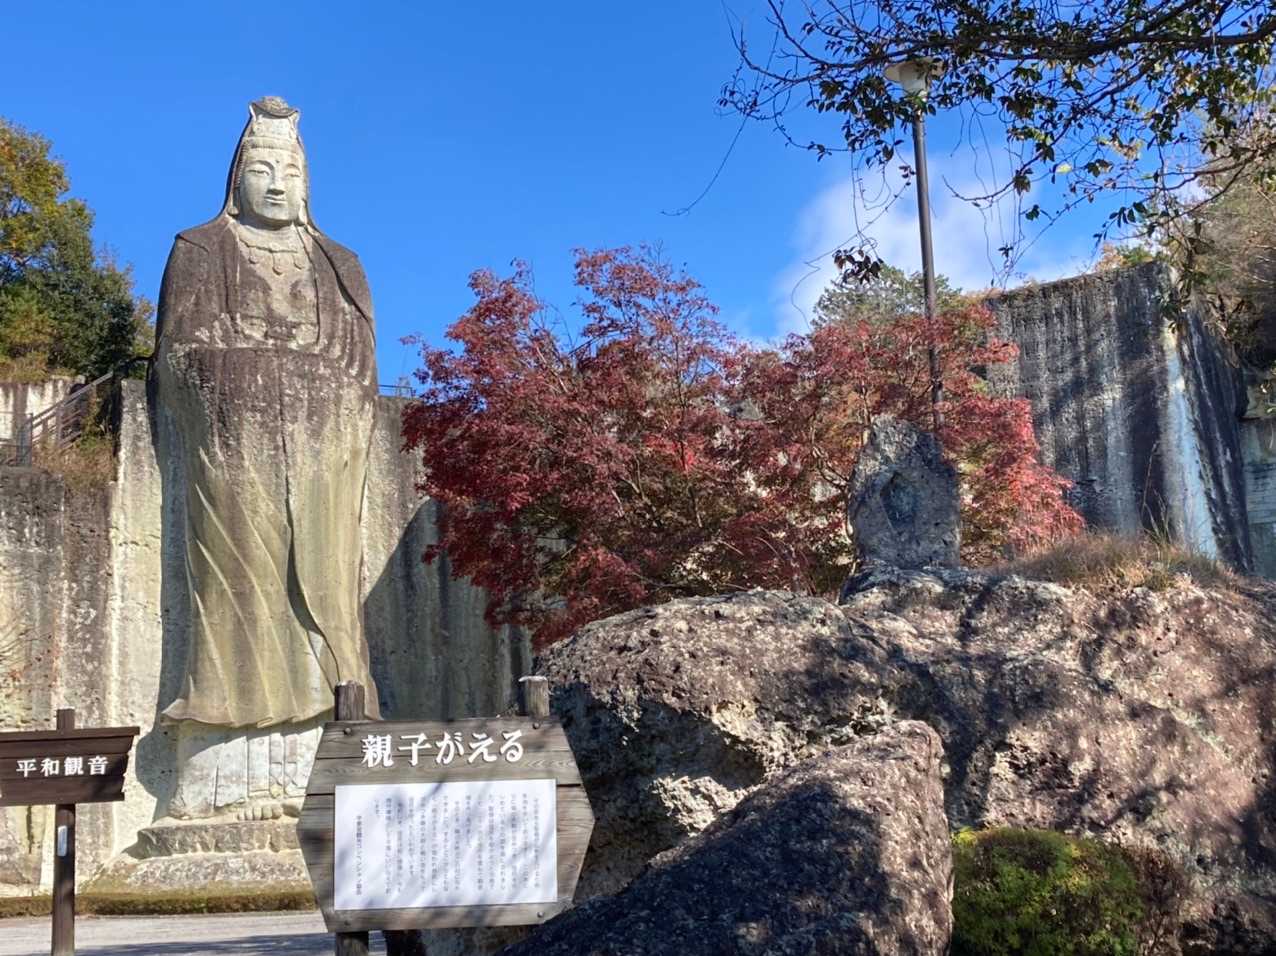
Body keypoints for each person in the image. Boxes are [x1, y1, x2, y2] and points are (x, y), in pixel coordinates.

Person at [152, 96, 379, 819]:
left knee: (328, 593)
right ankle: (222, 774)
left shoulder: (340, 263)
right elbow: (178, 355)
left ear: (308, 182)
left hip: (321, 452)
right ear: (236, 178)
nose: (277, 184)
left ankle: (328, 754)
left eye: (290, 171)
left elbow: (360, 371)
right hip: (234, 451)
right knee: (235, 592)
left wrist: (314, 387)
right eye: (261, 169)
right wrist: (257, 376)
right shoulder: (199, 248)